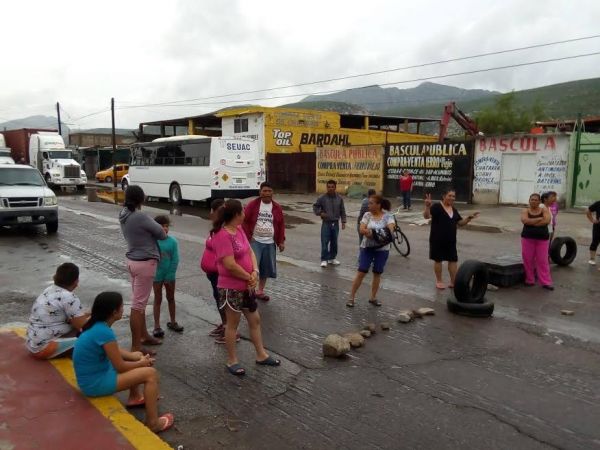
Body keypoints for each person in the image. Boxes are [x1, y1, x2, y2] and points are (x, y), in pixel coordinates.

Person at [73, 292, 174, 433]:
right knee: (150, 374)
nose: (123, 310)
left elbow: (114, 350)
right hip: (95, 384)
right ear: (114, 312)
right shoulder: (104, 331)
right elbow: (120, 367)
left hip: (92, 378)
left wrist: (134, 356)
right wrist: (142, 363)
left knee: (137, 356)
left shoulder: (95, 324)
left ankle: (135, 397)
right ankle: (153, 423)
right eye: (121, 307)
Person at [212, 199, 280, 376]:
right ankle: (232, 360)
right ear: (236, 214)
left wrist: (255, 271)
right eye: (242, 211)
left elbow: (250, 251)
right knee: (232, 324)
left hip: (246, 285)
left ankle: (261, 355)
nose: (245, 214)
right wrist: (248, 276)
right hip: (231, 287)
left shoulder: (239, 229)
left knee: (254, 319)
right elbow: (229, 264)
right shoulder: (221, 234)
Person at [119, 185, 167, 353]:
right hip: (145, 263)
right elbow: (162, 233)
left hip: (132, 261)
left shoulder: (124, 214)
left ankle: (144, 335)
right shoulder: (139, 216)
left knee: (140, 302)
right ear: (141, 198)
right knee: (138, 306)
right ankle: (136, 346)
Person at [26, 263, 89, 359]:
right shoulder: (69, 297)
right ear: (76, 281)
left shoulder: (50, 289)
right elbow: (84, 327)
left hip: (32, 344)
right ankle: (117, 361)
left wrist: (91, 313)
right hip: (43, 348)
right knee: (96, 335)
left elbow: (73, 319)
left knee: (87, 328)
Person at [201, 199, 241, 344]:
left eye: (213, 210)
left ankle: (230, 330)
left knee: (224, 301)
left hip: (220, 273)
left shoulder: (226, 230)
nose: (210, 213)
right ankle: (225, 324)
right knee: (218, 299)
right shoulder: (217, 228)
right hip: (212, 273)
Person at [424, 189, 479, 289]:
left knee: (453, 260)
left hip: (451, 240)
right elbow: (426, 216)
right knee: (438, 260)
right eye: (450, 195)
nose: (452, 198)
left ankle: (453, 281)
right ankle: (439, 281)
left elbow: (460, 223)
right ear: (444, 196)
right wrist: (427, 207)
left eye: (453, 196)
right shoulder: (437, 207)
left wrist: (468, 218)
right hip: (437, 239)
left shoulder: (454, 210)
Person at [348, 195, 395, 307]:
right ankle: (351, 297)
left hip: (382, 250)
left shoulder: (388, 216)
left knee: (377, 273)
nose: (368, 205)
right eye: (368, 203)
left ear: (378, 205)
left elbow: (390, 232)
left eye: (371, 203)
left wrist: (372, 233)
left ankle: (373, 297)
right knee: (361, 271)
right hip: (367, 248)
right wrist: (378, 233)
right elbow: (362, 229)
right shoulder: (367, 215)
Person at [242, 181, 286, 302]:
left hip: (270, 242)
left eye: (269, 191)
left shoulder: (277, 207)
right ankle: (250, 290)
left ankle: (260, 291)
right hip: (255, 241)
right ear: (260, 192)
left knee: (265, 268)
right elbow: (244, 221)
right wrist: (247, 237)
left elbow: (281, 224)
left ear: (273, 193)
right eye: (264, 191)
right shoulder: (253, 205)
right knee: (252, 268)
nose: (267, 193)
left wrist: (281, 241)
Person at [152, 215, 182, 338]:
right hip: (156, 276)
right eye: (161, 226)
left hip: (169, 276)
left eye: (166, 226)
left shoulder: (173, 242)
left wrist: (169, 275)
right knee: (157, 299)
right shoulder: (151, 241)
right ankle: (157, 326)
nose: (164, 228)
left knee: (171, 298)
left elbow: (175, 260)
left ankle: (173, 321)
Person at [521, 193, 553, 290]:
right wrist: (539, 219)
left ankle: (546, 282)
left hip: (542, 239)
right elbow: (524, 221)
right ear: (529, 201)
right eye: (532, 199)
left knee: (542, 261)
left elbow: (547, 220)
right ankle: (529, 280)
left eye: (536, 200)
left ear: (539, 202)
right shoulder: (525, 210)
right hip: (527, 239)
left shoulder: (544, 210)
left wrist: (531, 222)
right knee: (528, 259)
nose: (534, 201)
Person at [313, 179, 347, 267]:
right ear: (326, 187)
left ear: (335, 187)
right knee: (325, 241)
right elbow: (315, 207)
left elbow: (342, 210)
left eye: (332, 187)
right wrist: (320, 213)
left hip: (335, 223)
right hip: (326, 223)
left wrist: (343, 221)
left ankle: (332, 258)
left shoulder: (339, 198)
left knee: (334, 241)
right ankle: (324, 259)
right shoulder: (322, 198)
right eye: (328, 187)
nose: (330, 188)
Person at [586, 199, 600, 266]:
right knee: (595, 242)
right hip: (598, 227)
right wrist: (592, 220)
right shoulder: (598, 203)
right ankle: (592, 258)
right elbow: (588, 210)